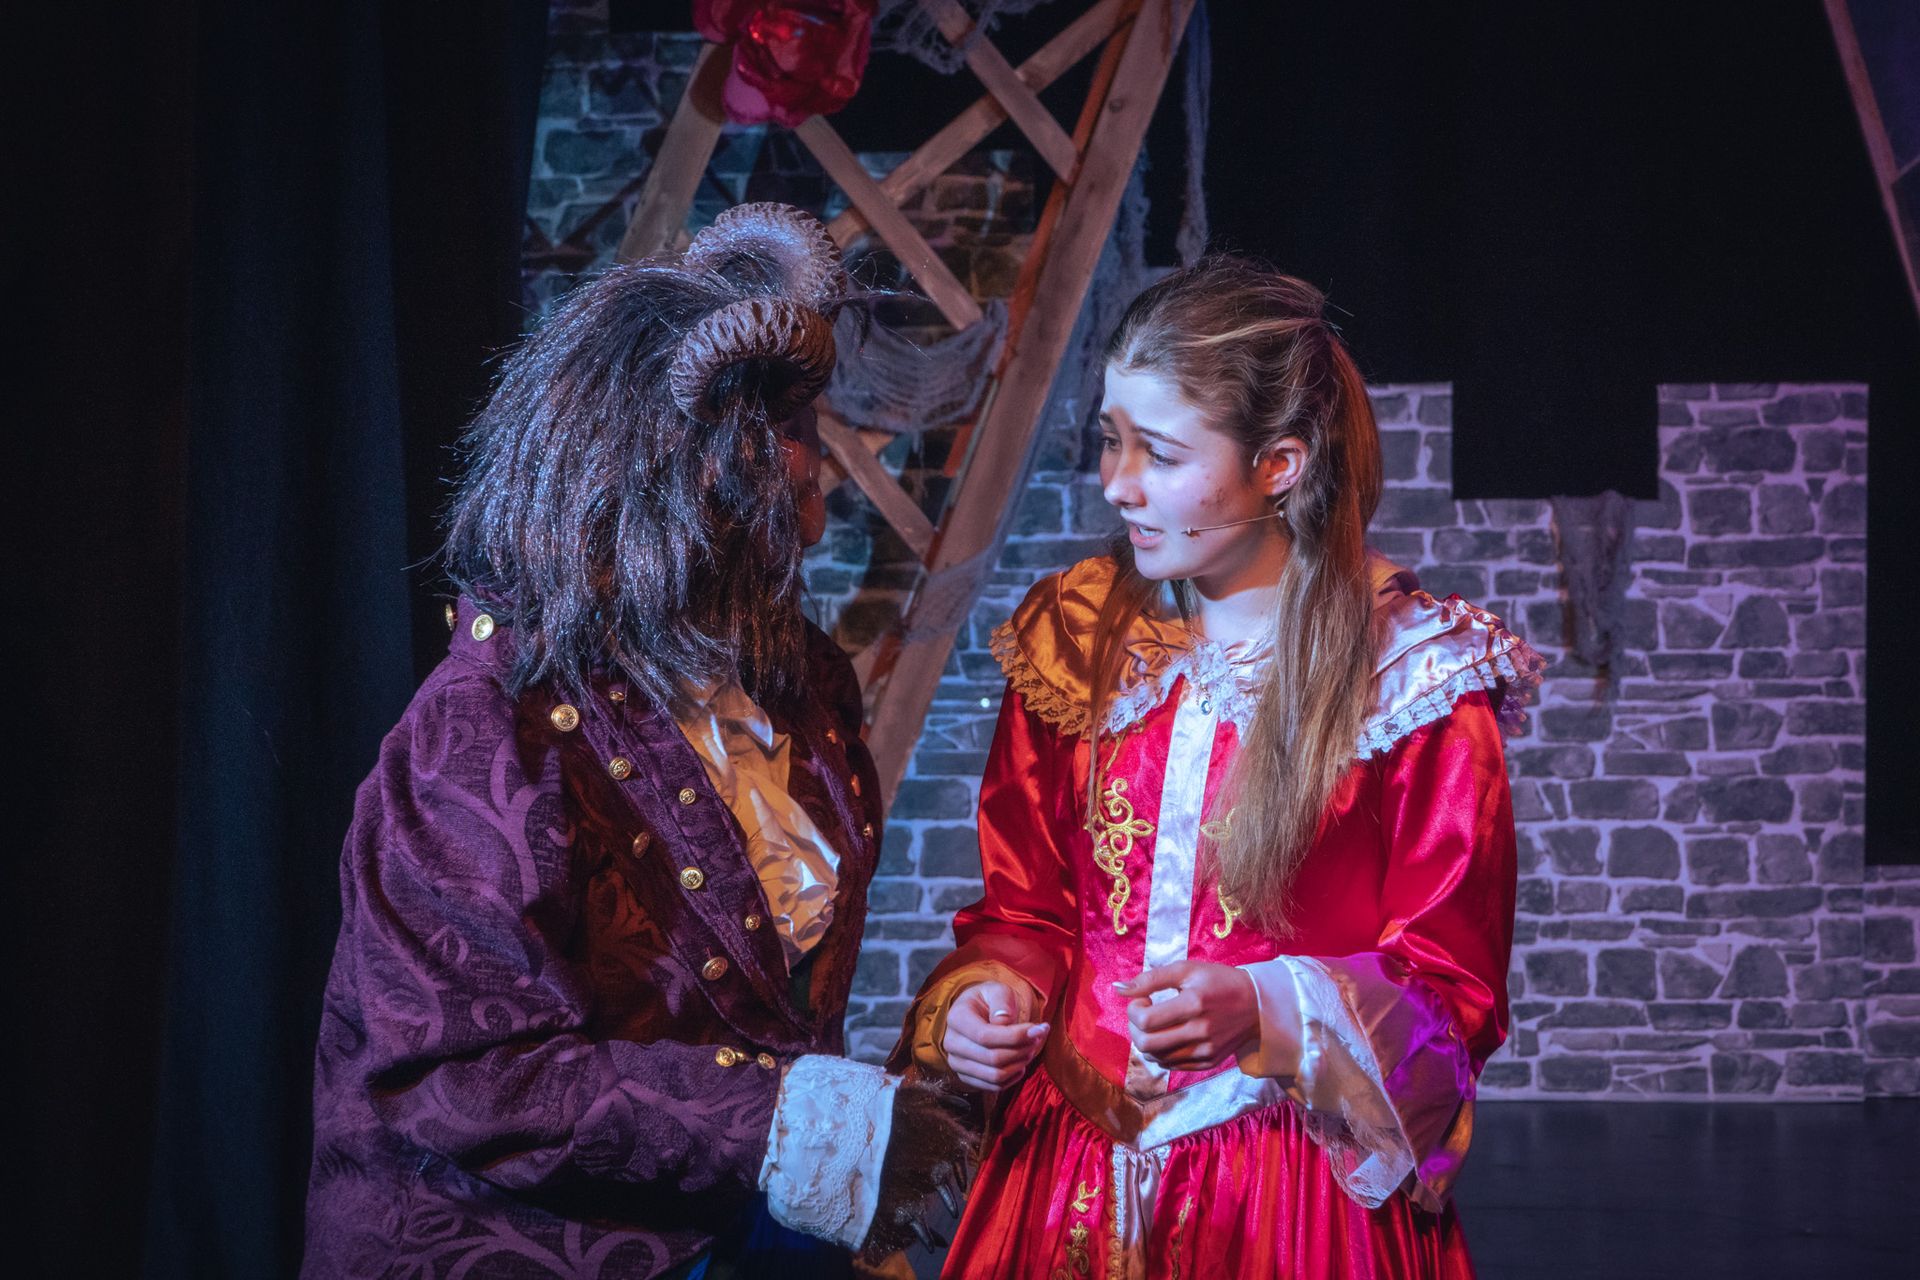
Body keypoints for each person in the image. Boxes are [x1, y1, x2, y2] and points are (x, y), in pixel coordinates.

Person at [303, 203, 966, 1279]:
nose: (820, 469)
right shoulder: (483, 733)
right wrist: (812, 1123)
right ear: (702, 466)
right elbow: (471, 1076)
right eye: (796, 432)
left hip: (748, 1230)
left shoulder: (801, 679)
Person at [892, 256, 1543, 1277]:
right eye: (1110, 439)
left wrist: (1265, 1007)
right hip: (1069, 1166)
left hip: (1288, 1190)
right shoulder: (1079, 645)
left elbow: (1450, 988)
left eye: (1159, 451)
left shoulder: (1411, 681)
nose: (1118, 482)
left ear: (1278, 463)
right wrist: (989, 996)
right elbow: (1026, 909)